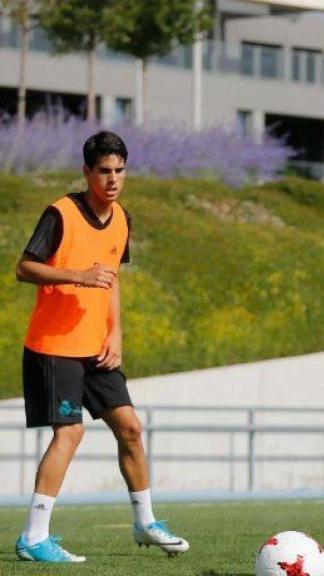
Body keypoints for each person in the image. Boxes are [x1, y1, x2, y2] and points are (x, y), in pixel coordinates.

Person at [14, 131, 189, 563]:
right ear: (87, 172)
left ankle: (145, 522)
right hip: (54, 347)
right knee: (70, 432)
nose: (113, 179)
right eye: (104, 171)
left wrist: (116, 334)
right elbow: (24, 268)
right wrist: (77, 274)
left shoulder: (122, 218)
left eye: (120, 170)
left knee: (130, 427)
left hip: (97, 348)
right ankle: (34, 538)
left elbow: (111, 278)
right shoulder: (60, 213)